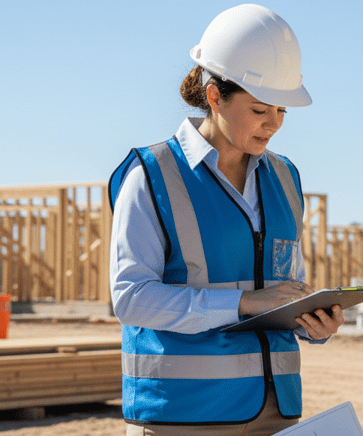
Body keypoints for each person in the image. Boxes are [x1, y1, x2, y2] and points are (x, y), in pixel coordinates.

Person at [108, 4, 344, 435]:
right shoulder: (152, 175)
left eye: (282, 111)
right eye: (259, 110)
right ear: (215, 96)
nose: (273, 124)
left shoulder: (285, 178)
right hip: (183, 415)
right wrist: (243, 304)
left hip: (275, 412)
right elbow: (131, 298)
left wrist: (312, 322)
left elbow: (282, 287)